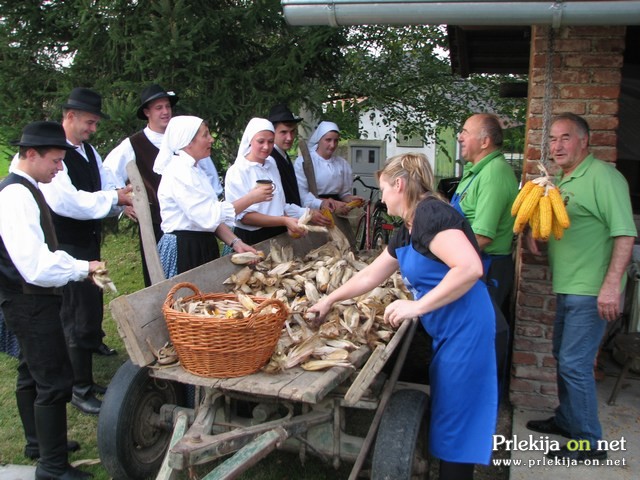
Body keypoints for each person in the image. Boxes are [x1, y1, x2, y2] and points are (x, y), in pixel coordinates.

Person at [309, 153, 497, 480]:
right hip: (447, 330)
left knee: (459, 421)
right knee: (449, 410)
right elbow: (371, 276)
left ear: (399, 184)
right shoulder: (407, 228)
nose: (380, 197)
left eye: (383, 188)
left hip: (467, 327)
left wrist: (416, 307)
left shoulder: (431, 213)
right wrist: (329, 300)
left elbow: (469, 268)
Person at [526, 113, 636, 462]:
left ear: (584, 142)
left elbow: (625, 234)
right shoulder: (561, 181)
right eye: (553, 139)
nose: (557, 146)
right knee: (563, 357)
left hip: (591, 291)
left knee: (575, 364)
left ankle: (589, 443)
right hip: (568, 286)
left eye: (565, 138)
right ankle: (568, 421)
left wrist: (610, 288)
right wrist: (537, 239)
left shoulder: (605, 178)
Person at [0, 121, 103, 479]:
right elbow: (36, 266)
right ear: (32, 154)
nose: (60, 168)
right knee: (54, 380)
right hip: (29, 300)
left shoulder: (26, 187)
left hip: (26, 298)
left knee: (31, 370)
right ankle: (53, 466)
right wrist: (81, 267)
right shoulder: (16, 196)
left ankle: (38, 444)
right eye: (56, 161)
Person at [39, 88, 133, 415]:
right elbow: (69, 203)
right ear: (70, 117)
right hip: (65, 243)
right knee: (75, 314)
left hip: (87, 241)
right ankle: (78, 389)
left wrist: (119, 202)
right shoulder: (54, 153)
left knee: (91, 305)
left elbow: (106, 189)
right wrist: (116, 200)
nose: (93, 129)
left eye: (94, 123)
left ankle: (86, 379)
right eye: (89, 122)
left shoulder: (89, 152)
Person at [104, 84, 223, 286]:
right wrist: (124, 204)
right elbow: (108, 175)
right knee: (161, 281)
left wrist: (209, 202)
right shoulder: (133, 144)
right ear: (146, 112)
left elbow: (210, 177)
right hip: (156, 224)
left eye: (167, 106)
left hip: (195, 224)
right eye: (159, 107)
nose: (165, 112)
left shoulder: (186, 139)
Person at [154, 116, 271, 277]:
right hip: (184, 249)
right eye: (205, 135)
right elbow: (208, 215)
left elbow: (210, 220)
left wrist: (236, 242)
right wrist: (251, 198)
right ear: (188, 142)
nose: (211, 139)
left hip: (200, 244)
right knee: (186, 298)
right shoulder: (179, 172)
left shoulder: (195, 169)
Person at [454, 113, 517, 396]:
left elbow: (482, 236)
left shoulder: (494, 174)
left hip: (486, 267)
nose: (459, 136)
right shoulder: (477, 170)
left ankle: (483, 400)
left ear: (485, 141)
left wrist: (439, 256)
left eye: (465, 132)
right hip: (474, 263)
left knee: (484, 334)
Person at [224, 117, 307, 245]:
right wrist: (284, 221)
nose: (266, 147)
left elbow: (280, 203)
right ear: (250, 140)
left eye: (270, 141)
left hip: (278, 232)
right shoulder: (238, 171)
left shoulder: (272, 164)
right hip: (253, 238)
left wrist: (289, 225)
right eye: (261, 141)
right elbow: (245, 218)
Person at [293, 121, 363, 216]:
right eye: (328, 140)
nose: (332, 145)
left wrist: (350, 199)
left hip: (338, 213)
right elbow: (302, 195)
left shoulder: (342, 164)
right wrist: (322, 203)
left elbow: (343, 193)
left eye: (336, 140)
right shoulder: (304, 162)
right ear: (319, 139)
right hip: (314, 213)